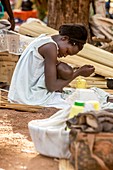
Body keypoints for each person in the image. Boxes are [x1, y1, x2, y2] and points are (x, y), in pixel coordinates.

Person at [8, 23, 95, 109]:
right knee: (78, 105)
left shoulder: (45, 39)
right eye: (67, 51)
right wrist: (78, 72)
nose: (65, 55)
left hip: (18, 93)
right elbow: (51, 87)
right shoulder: (50, 47)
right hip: (27, 97)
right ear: (64, 38)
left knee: (65, 70)